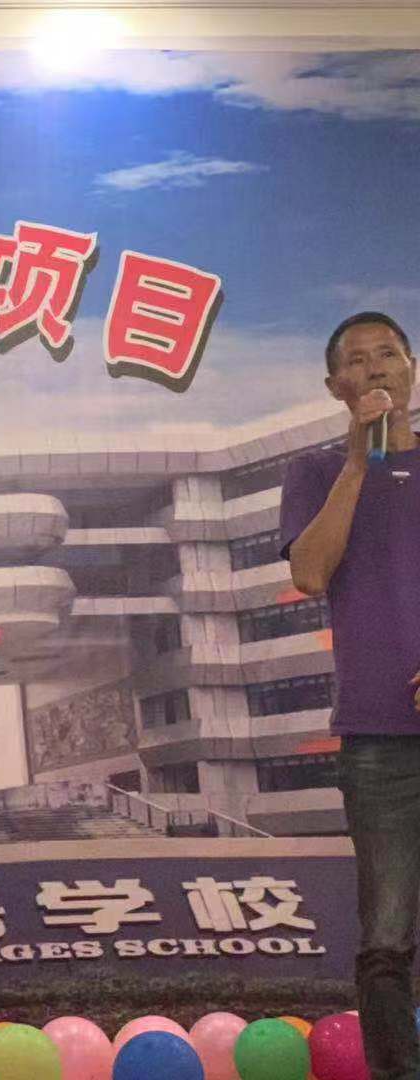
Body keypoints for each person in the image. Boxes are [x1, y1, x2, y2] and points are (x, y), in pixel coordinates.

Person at [282, 311, 420, 1080]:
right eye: (359, 361)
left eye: (389, 354)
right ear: (337, 386)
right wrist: (359, 461)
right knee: (387, 937)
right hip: (378, 738)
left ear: (412, 369)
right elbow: (309, 572)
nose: (376, 369)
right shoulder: (314, 473)